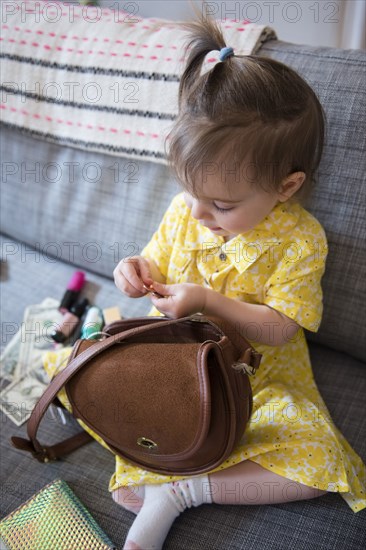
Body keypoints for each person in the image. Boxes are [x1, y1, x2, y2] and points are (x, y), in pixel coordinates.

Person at [112, 16, 366, 550]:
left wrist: (207, 300)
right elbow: (156, 265)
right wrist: (135, 272)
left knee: (321, 461)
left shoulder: (301, 238)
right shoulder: (188, 210)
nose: (200, 213)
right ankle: (168, 466)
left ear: (285, 186)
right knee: (112, 393)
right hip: (179, 364)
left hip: (262, 378)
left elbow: (278, 330)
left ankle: (183, 492)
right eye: (191, 193)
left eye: (222, 206)